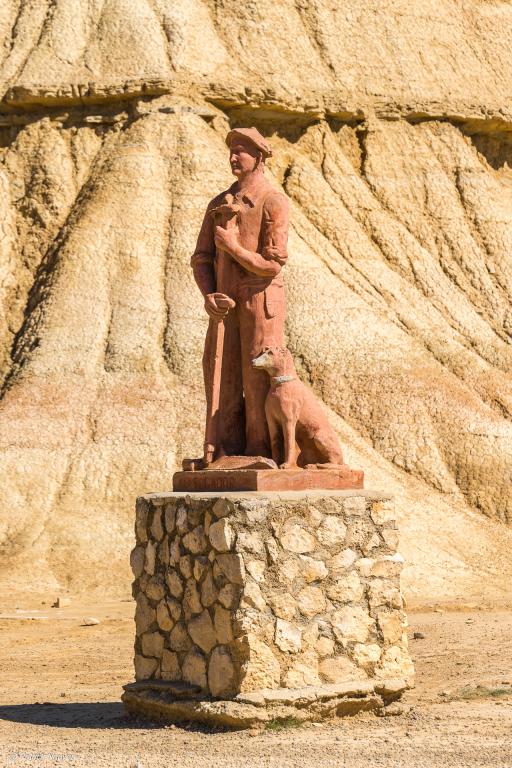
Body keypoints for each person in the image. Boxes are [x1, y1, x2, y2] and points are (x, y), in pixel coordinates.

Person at [191, 127, 289, 462]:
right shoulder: (218, 204)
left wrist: (233, 248)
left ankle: (262, 450)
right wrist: (209, 295)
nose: (233, 157)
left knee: (257, 374)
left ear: (258, 157)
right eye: (231, 150)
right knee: (222, 373)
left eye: (241, 150)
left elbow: (272, 264)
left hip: (260, 300)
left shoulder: (272, 201)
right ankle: (225, 450)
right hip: (225, 304)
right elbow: (201, 258)